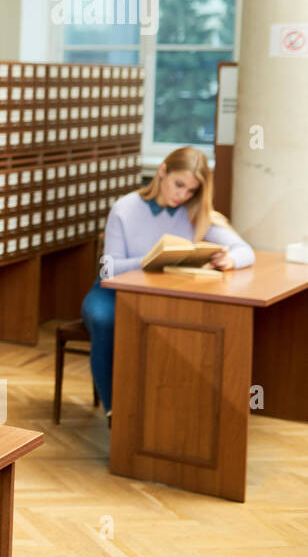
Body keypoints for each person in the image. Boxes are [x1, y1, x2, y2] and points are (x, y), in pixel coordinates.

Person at [81, 146, 254, 425]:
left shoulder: (194, 212)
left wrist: (230, 259)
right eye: (179, 185)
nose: (182, 195)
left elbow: (246, 250)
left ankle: (167, 409)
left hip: (164, 292)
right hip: (113, 291)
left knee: (181, 323)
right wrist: (150, 259)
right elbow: (109, 268)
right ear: (162, 171)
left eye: (191, 191)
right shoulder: (125, 208)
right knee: (104, 319)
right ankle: (115, 411)